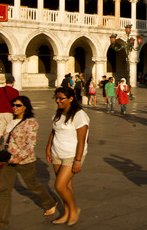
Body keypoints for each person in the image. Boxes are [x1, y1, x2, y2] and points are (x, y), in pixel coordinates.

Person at [0, 95, 58, 227]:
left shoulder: (31, 123)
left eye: (18, 105)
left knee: (32, 185)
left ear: (26, 107)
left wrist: (20, 157)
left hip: (25, 161)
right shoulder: (12, 120)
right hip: (8, 159)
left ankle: (50, 203)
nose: (15, 108)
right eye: (13, 105)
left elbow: (31, 143)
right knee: (4, 189)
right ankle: (0, 218)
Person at [46, 86, 89, 226]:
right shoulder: (59, 113)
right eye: (56, 98)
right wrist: (48, 148)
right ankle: (66, 213)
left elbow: (82, 140)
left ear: (71, 99)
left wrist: (78, 160)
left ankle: (74, 210)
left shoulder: (79, 115)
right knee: (66, 186)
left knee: (59, 186)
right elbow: (54, 131)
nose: (58, 101)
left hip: (72, 155)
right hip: (57, 153)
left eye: (61, 98)